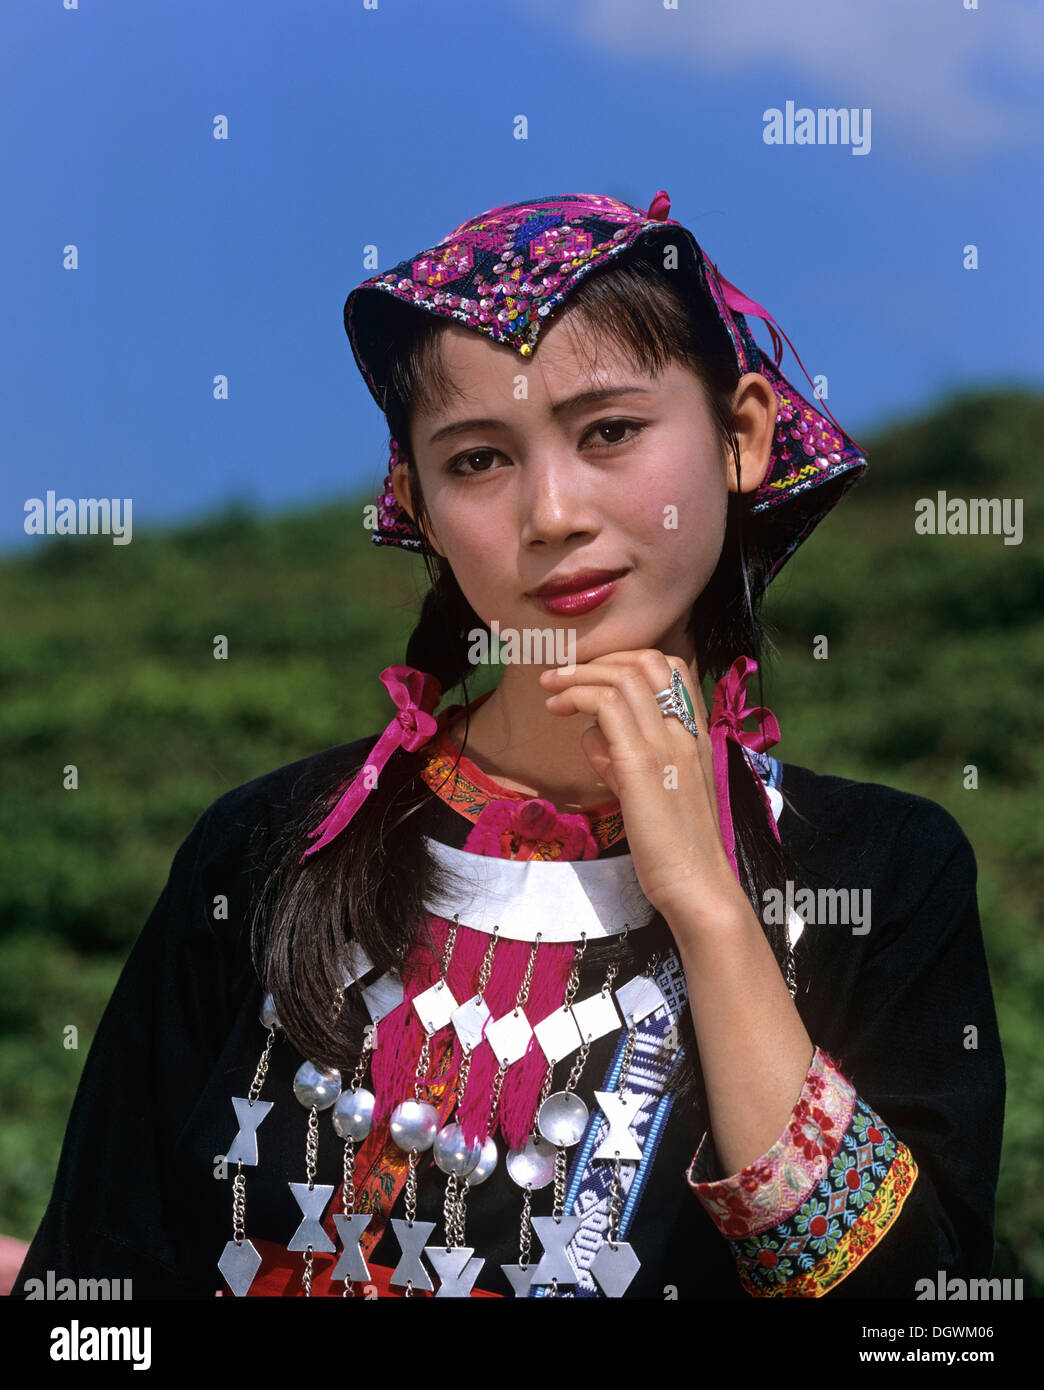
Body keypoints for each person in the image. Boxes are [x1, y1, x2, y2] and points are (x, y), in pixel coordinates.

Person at [15, 190, 1004, 1299]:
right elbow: (97, 1288)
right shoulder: (259, 849)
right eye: (479, 460)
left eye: (611, 432)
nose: (553, 511)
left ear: (742, 435)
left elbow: (923, 1324)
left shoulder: (883, 869)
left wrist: (712, 909)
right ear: (420, 506)